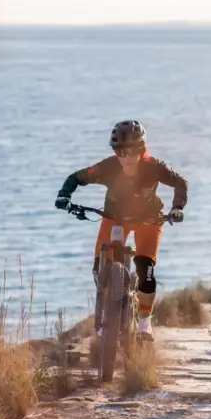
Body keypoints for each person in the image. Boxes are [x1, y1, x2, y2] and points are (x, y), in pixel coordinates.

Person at [55, 120, 188, 340]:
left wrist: (177, 208)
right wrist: (64, 196)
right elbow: (76, 178)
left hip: (149, 220)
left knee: (146, 270)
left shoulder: (154, 167)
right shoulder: (108, 167)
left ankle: (145, 324)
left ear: (142, 149)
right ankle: (107, 311)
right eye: (119, 151)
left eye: (131, 151)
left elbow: (180, 182)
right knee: (100, 266)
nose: (125, 156)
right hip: (115, 218)